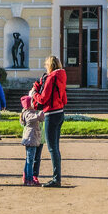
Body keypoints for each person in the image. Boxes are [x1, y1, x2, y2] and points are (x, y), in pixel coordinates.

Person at [32, 54, 67, 187]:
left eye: (46, 66)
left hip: (51, 113)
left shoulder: (51, 77)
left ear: (50, 66)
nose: (46, 68)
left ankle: (56, 179)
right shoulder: (61, 76)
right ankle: (57, 177)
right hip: (60, 112)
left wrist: (34, 93)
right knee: (56, 148)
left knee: (52, 148)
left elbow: (43, 98)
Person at [20, 98, 45, 186]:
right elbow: (40, 118)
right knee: (30, 160)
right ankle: (29, 179)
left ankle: (26, 177)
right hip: (31, 139)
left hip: (31, 139)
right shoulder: (29, 114)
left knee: (29, 159)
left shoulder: (27, 113)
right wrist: (43, 110)